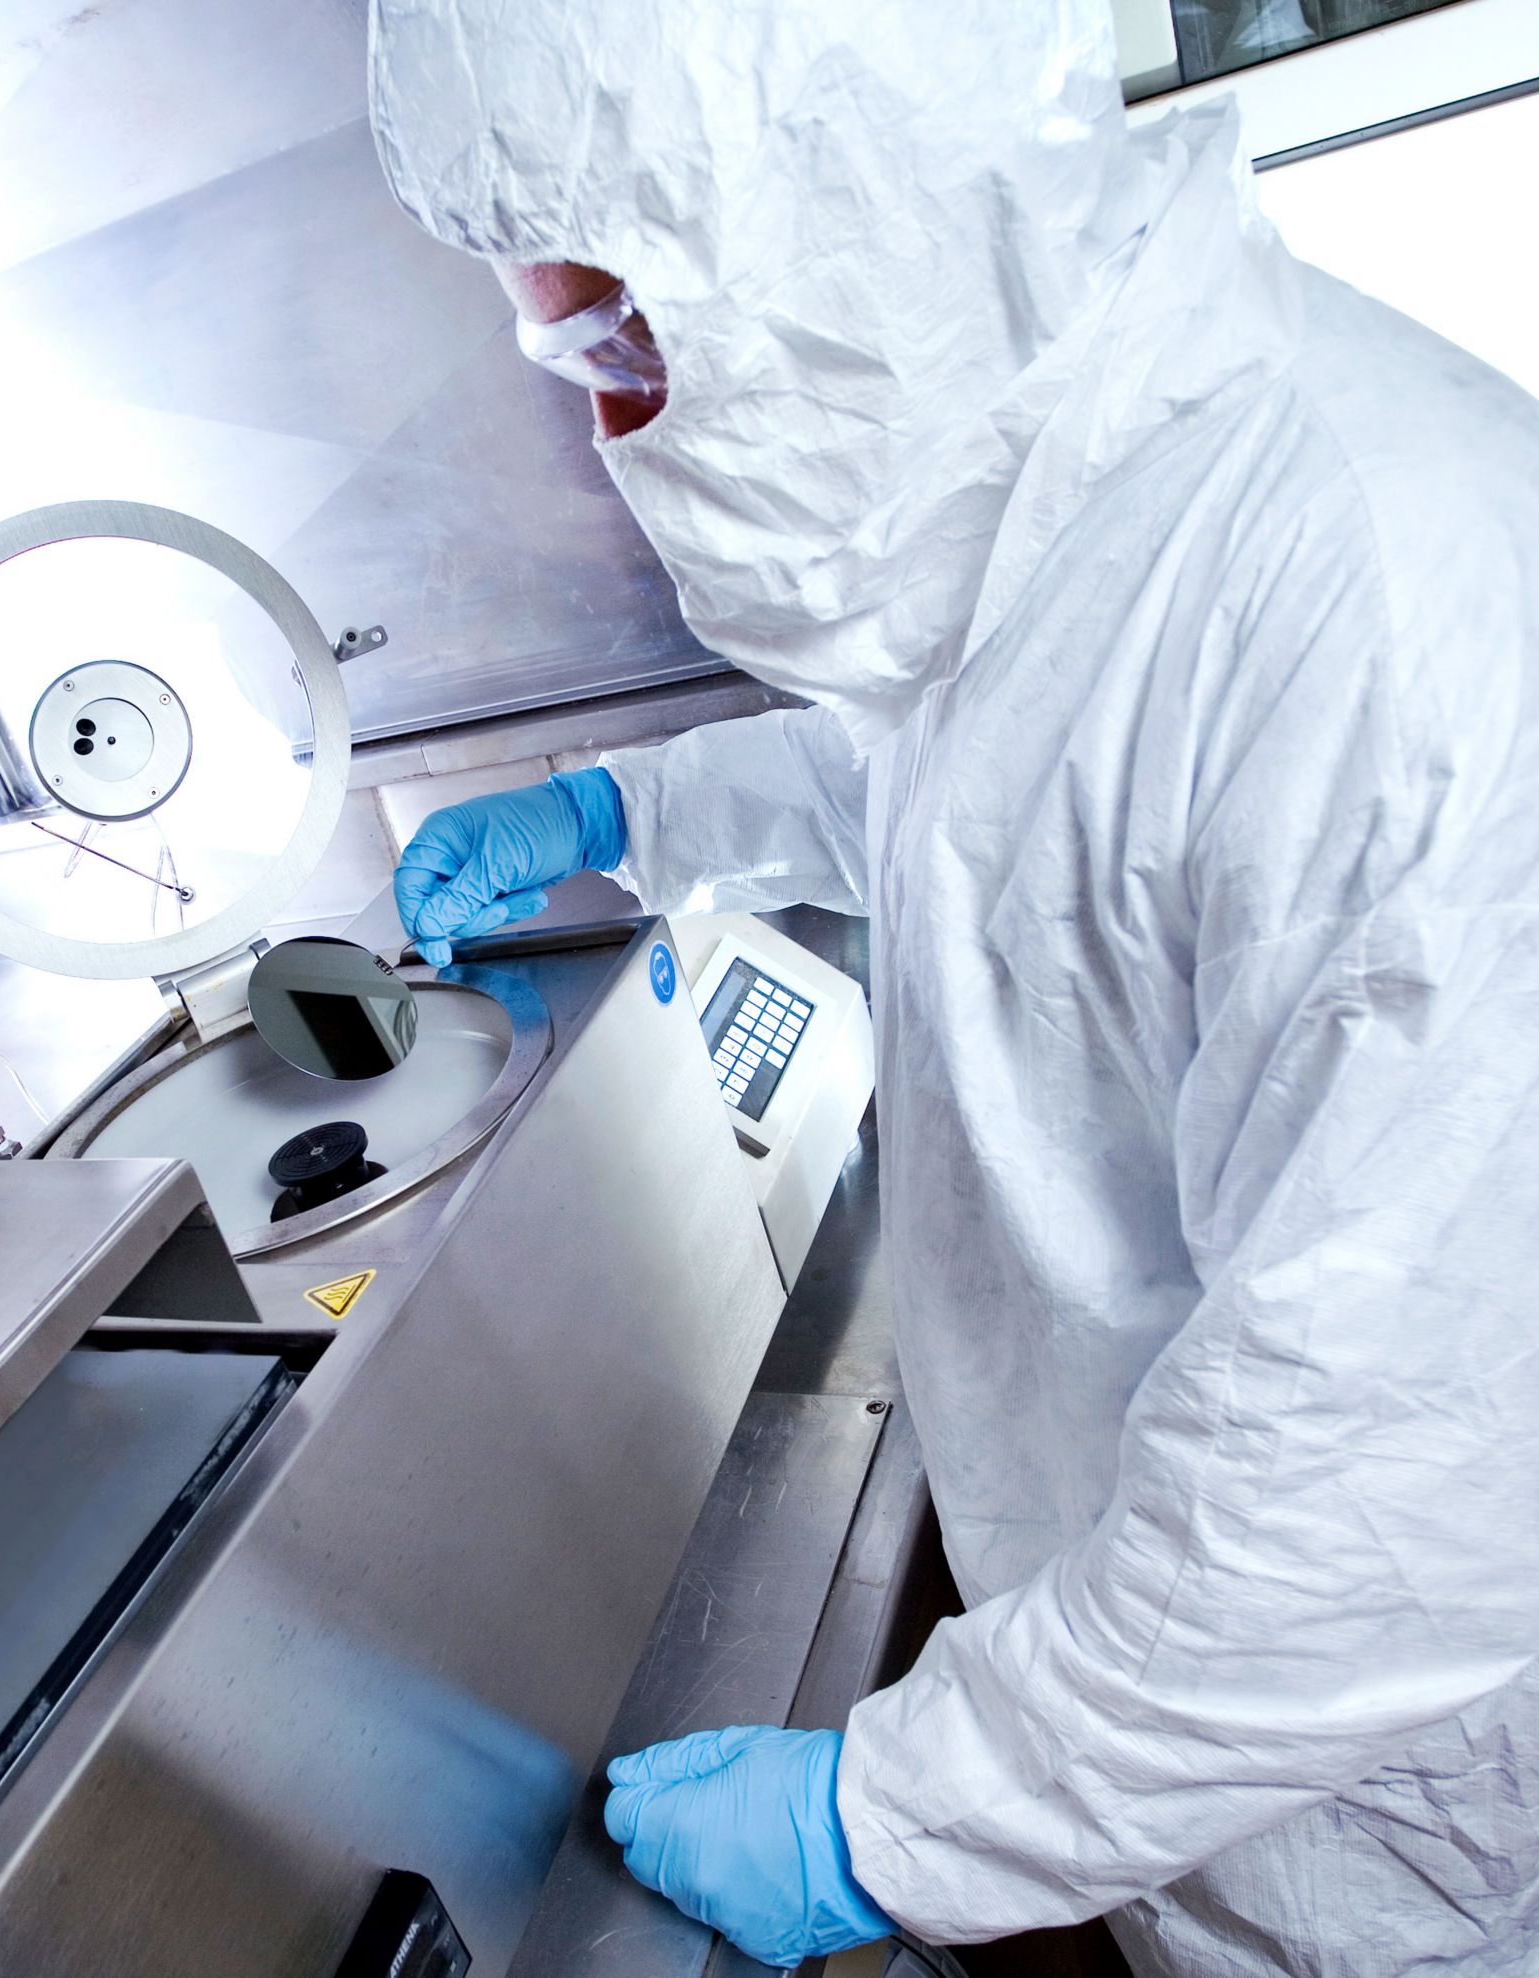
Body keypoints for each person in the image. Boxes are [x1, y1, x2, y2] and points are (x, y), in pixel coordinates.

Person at [369, 1, 1539, 1973]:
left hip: (1382, 1811)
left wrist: (896, 1817)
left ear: (846, 209)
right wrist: (619, 806)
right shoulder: (1088, 492)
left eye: (631, 338)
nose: (614, 426)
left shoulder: (1380, 608)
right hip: (1177, 1722)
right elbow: (977, 793)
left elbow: (1397, 1478)